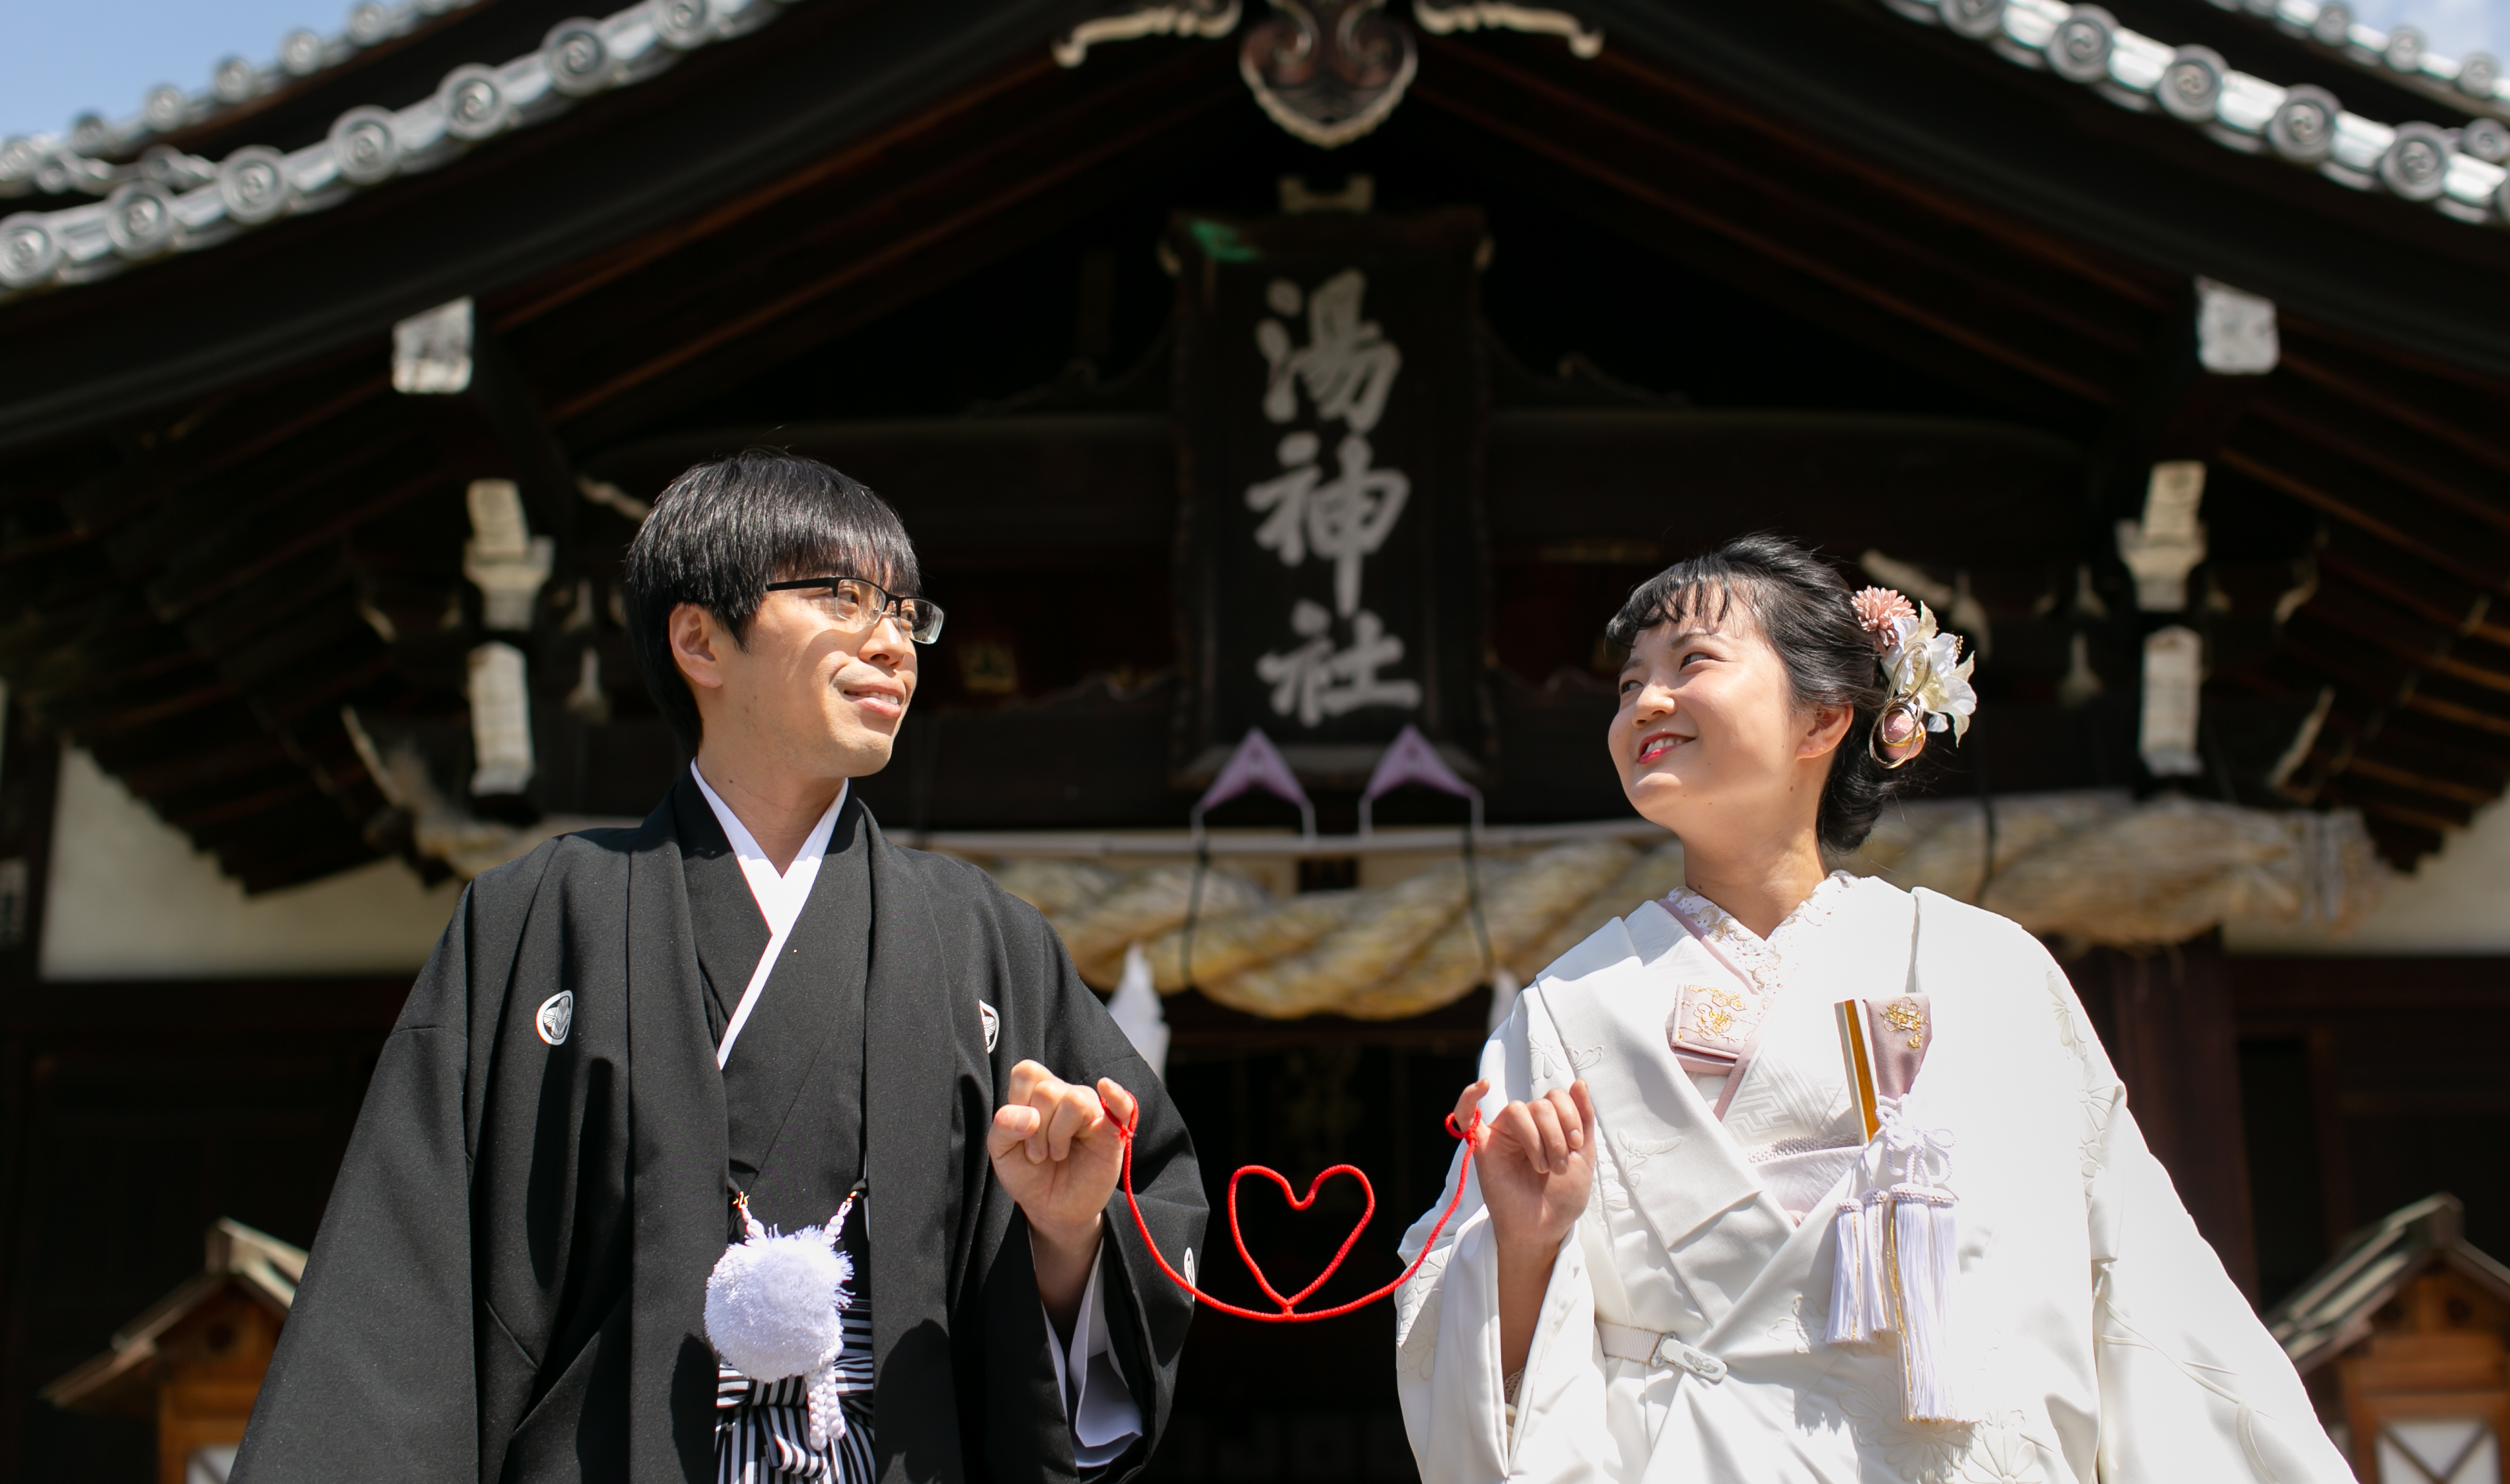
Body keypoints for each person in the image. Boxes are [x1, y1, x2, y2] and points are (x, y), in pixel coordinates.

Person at [234, 451, 1206, 1484]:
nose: (894, 643)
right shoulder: (535, 922)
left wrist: (1066, 1236)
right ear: (700, 638)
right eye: (843, 597)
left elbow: (1142, 1209)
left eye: (908, 613)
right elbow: (401, 1301)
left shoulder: (981, 938)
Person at [1393, 534, 2349, 1483]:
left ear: (1823, 718)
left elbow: (2140, 1286)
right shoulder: (1564, 1010)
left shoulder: (1986, 972)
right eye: (1627, 682)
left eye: (1691, 664)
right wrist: (1525, 1243)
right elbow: (1465, 1344)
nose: (1646, 700)